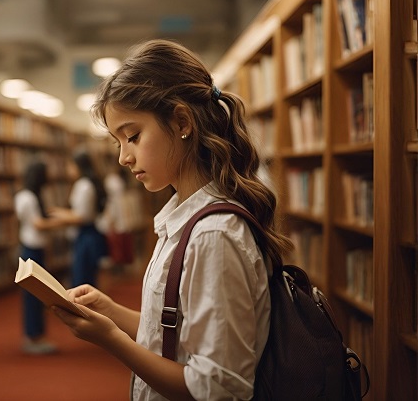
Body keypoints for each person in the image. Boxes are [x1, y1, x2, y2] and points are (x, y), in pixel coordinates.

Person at [51, 39, 293, 400]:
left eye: (132, 137)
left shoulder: (213, 235)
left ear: (182, 121)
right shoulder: (186, 218)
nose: (123, 158)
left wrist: (111, 340)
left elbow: (218, 388)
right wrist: (111, 311)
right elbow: (172, 333)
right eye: (118, 142)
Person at [15, 159, 64, 355]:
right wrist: (62, 222)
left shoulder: (28, 195)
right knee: (33, 296)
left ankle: (36, 335)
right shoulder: (28, 197)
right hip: (32, 249)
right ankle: (33, 336)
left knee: (37, 295)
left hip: (34, 248)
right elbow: (38, 224)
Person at [50, 149, 108, 288]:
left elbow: (81, 216)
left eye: (71, 165)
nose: (68, 169)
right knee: (86, 276)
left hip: (85, 235)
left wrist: (60, 215)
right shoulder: (88, 183)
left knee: (82, 278)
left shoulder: (83, 185)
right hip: (89, 233)